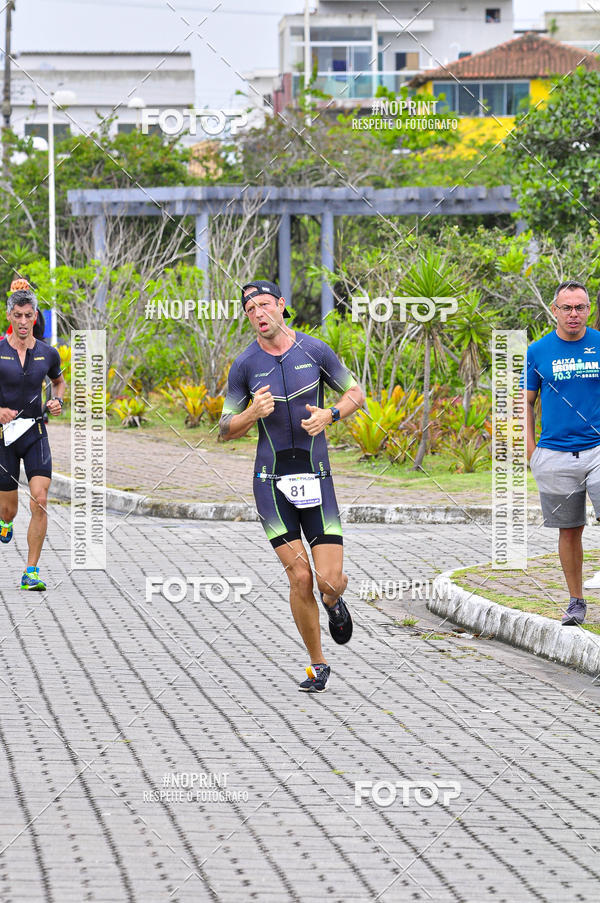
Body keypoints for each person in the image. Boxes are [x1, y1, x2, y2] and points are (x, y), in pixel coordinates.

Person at [219, 280, 365, 692]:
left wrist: (331, 415)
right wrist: (251, 413)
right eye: (250, 309)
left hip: (317, 478)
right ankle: (317, 665)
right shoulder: (244, 365)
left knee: (328, 582)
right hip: (270, 483)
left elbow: (356, 393)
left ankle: (334, 605)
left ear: (281, 306)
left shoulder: (315, 351)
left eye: (264, 305)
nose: (258, 314)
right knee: (300, 576)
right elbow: (223, 428)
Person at [526, 280, 600, 626]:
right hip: (554, 455)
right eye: (567, 308)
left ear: (589, 309)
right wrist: (532, 452)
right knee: (570, 530)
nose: (574, 314)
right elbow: (526, 403)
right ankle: (576, 601)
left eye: (580, 307)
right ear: (554, 310)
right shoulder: (538, 351)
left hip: (597, 450)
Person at [0, 289, 66, 589]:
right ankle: (5, 521)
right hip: (4, 437)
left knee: (40, 499)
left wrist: (57, 401)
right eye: (18, 316)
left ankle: (31, 572)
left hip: (35, 431)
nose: (23, 322)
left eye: (29, 316)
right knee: (8, 509)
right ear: (9, 316)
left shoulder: (48, 353)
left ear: (35, 317)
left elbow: (58, 381)